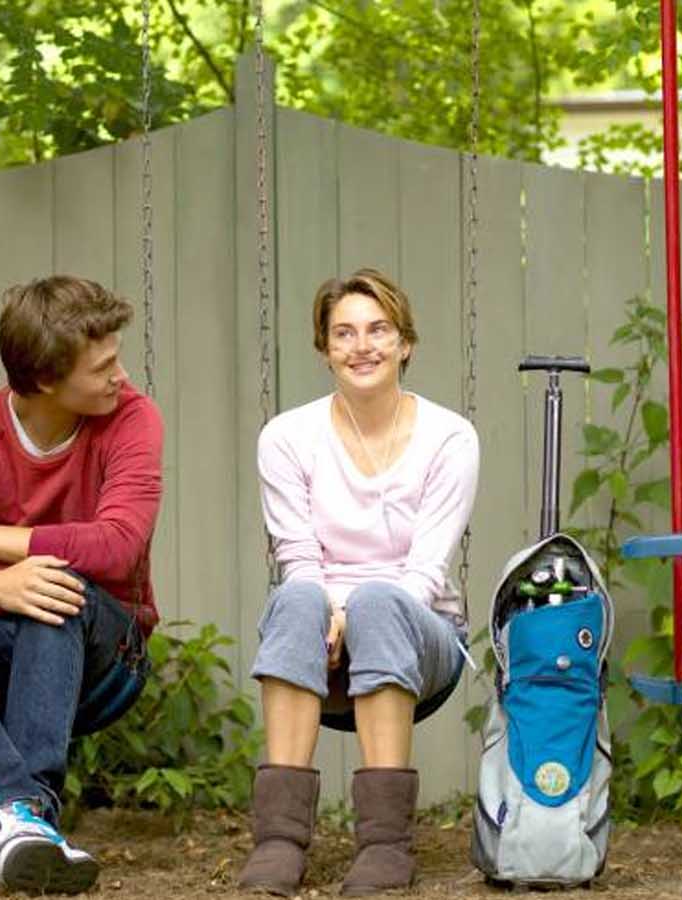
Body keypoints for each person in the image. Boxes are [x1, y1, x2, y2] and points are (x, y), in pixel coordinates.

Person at [0, 275, 163, 895]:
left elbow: (117, 545)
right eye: (102, 367)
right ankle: (21, 828)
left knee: (52, 586)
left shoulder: (132, 418)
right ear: (45, 380)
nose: (120, 376)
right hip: (6, 648)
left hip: (108, 659)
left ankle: (24, 819)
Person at [239, 268, 478, 896]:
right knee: (296, 597)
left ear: (405, 343)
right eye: (343, 333)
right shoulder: (287, 437)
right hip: (321, 637)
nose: (361, 346)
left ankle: (385, 845)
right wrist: (332, 615)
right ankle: (279, 840)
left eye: (379, 330)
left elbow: (424, 572)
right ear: (324, 348)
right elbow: (298, 558)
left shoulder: (450, 437)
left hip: (423, 636)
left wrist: (353, 613)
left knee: (379, 600)